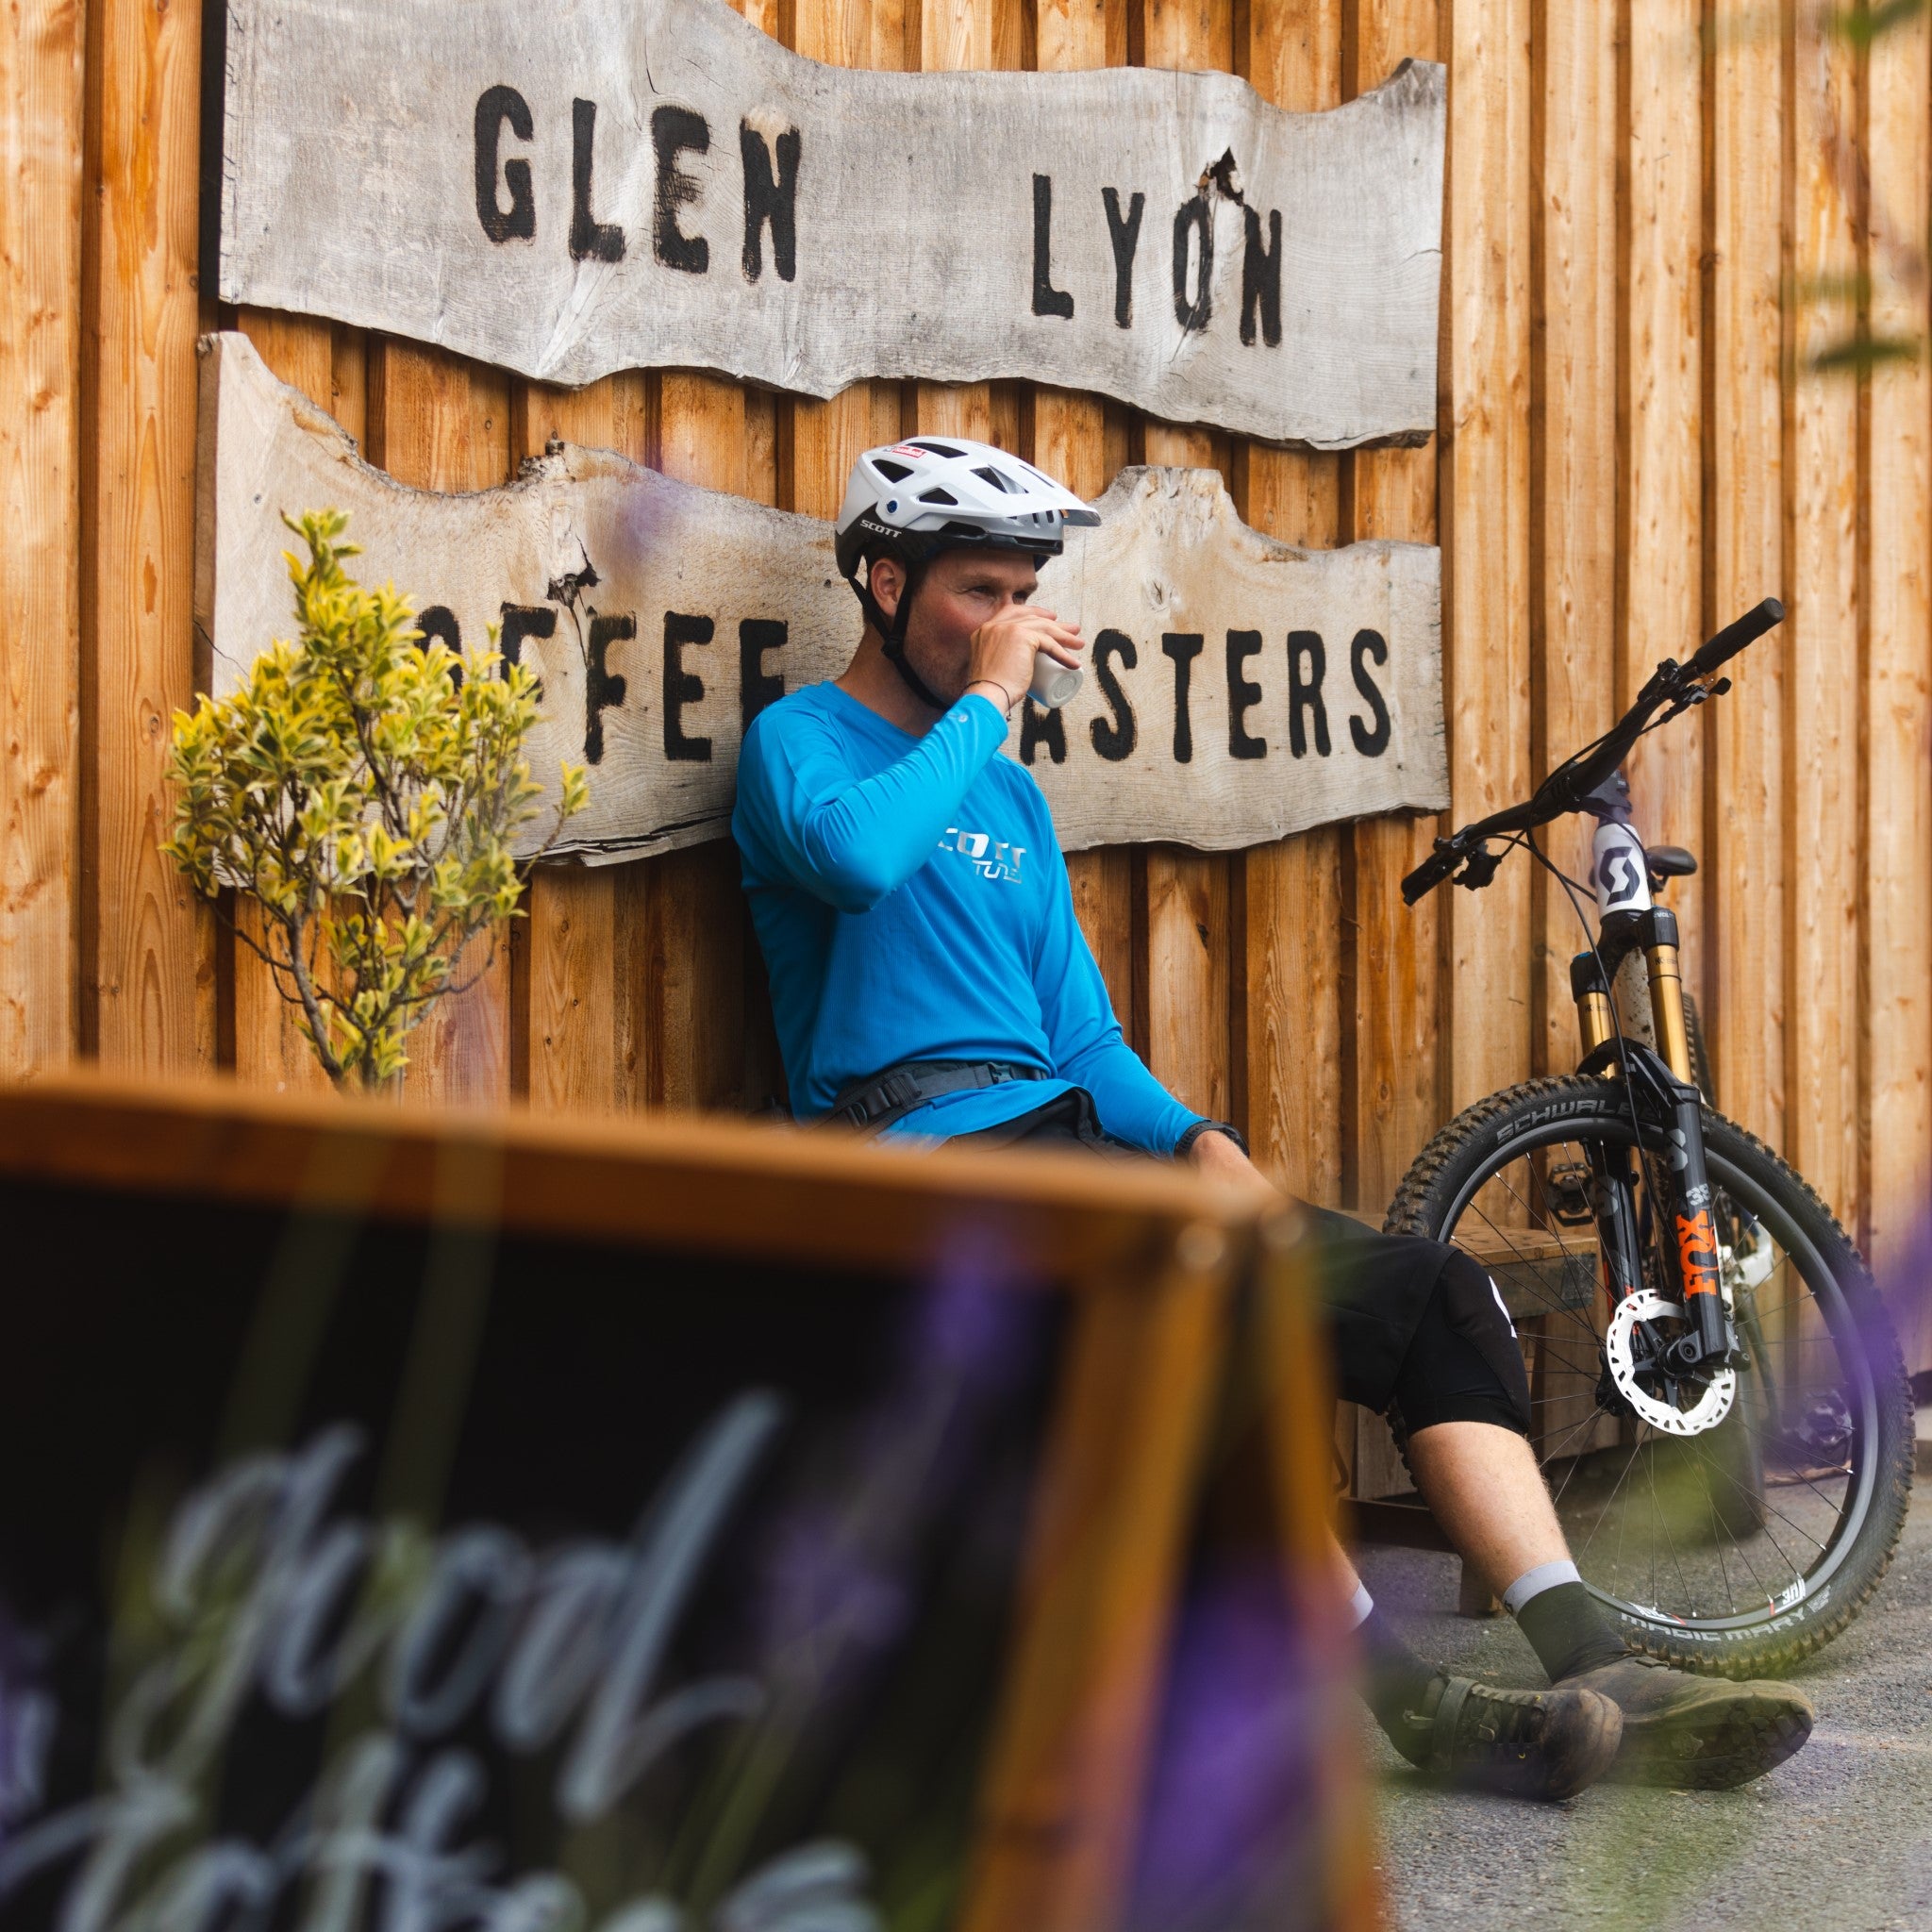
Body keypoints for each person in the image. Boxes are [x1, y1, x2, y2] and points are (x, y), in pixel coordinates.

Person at [731, 436, 1814, 1801]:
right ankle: (1417, 1709)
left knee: (1432, 1296)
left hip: (1081, 1152)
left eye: (1024, 594)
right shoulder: (801, 750)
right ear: (883, 584)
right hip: (924, 1172)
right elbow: (857, 859)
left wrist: (1197, 1140)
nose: (1012, 623)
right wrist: (991, 702)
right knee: (1203, 1338)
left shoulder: (1007, 800)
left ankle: (1588, 1659)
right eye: (979, 594)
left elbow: (1080, 1038)